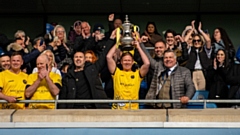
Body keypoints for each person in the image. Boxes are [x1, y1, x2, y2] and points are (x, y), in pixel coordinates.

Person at [58, 30, 116, 109]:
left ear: (85, 60)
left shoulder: (92, 69)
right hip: (74, 110)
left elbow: (103, 55)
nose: (78, 59)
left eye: (81, 57)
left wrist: (111, 38)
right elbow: (63, 97)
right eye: (76, 57)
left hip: (92, 108)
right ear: (73, 59)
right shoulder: (68, 76)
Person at [106, 39, 150, 110]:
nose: (127, 62)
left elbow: (147, 63)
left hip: (133, 109)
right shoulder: (116, 72)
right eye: (125, 60)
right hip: (117, 109)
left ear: (133, 62)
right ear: (121, 62)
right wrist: (117, 43)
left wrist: (138, 47)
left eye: (129, 60)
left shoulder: (137, 74)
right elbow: (108, 57)